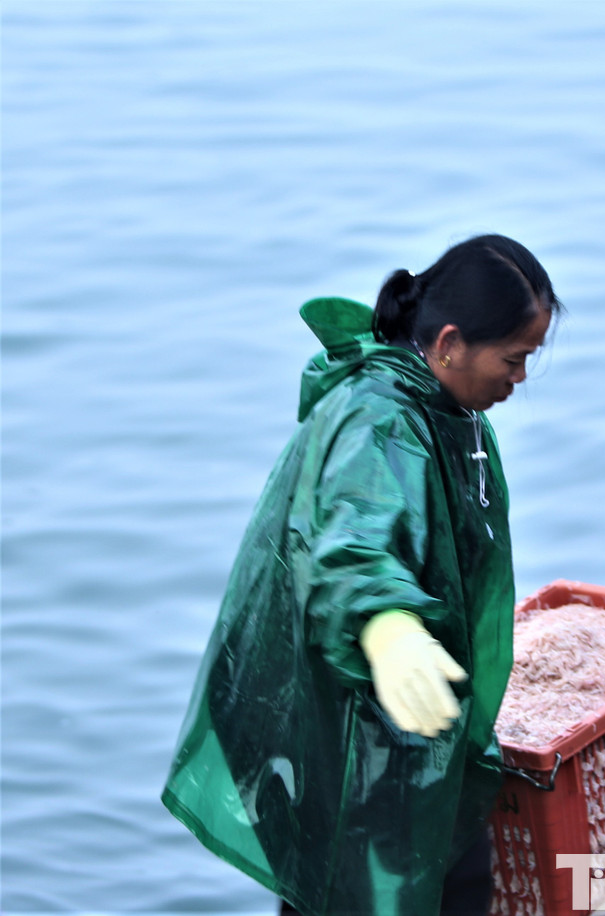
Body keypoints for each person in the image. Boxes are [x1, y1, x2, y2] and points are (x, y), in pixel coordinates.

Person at [162, 235, 562, 916]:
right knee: (358, 889)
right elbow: (351, 541)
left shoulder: (449, 409)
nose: (519, 379)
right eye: (515, 359)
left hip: (410, 718)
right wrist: (388, 627)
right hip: (352, 718)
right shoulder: (378, 421)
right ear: (449, 343)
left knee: (425, 882)